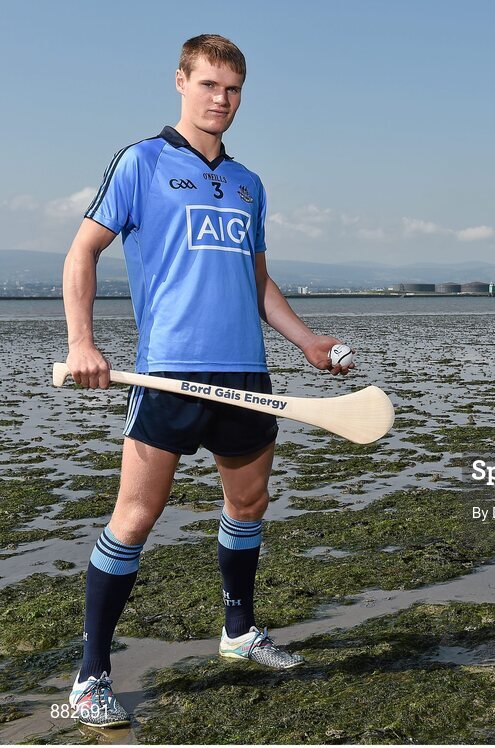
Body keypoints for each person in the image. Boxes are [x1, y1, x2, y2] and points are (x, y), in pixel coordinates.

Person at [62, 34, 352, 728]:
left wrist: (307, 340)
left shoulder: (249, 182)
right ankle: (89, 678)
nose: (221, 100)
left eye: (233, 89)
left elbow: (254, 279)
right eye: (209, 86)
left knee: (248, 508)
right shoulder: (140, 163)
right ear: (181, 83)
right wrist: (82, 343)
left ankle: (238, 633)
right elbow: (82, 252)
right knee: (135, 518)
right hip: (168, 371)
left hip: (246, 372)